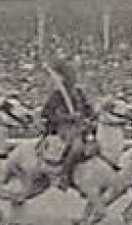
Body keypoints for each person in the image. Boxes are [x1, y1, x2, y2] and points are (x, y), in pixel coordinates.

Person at [41, 59, 95, 190]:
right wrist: (67, 117)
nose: (74, 78)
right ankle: (64, 175)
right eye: (71, 75)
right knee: (76, 147)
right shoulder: (58, 95)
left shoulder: (79, 93)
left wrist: (89, 116)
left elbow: (88, 109)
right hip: (64, 129)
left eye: (74, 75)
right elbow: (47, 112)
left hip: (81, 127)